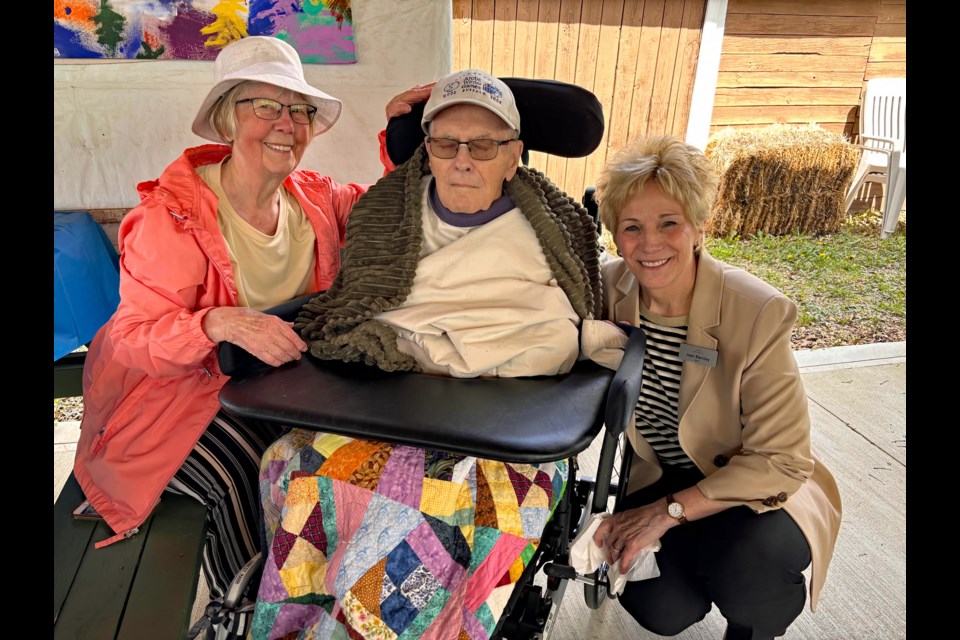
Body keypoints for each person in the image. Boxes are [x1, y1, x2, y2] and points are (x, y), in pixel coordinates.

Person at [71, 34, 432, 631]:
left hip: (286, 387)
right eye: (264, 106)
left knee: (357, 463)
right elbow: (134, 337)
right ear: (226, 118)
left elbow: (393, 218)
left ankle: (336, 603)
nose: (285, 123)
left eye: (299, 109)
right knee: (261, 475)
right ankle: (248, 615)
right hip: (175, 406)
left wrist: (402, 140)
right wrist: (213, 322)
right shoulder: (170, 218)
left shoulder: (317, 200)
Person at [250, 69, 601, 639]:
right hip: (390, 405)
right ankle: (306, 624)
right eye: (445, 142)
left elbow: (560, 338)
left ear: (513, 155)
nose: (463, 159)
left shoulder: (556, 229)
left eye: (484, 145)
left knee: (467, 507)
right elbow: (358, 315)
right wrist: (434, 350)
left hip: (506, 427)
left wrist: (434, 350)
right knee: (293, 462)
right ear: (427, 152)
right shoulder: (385, 216)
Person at [582, 134, 843, 639]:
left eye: (669, 224)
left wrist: (668, 514)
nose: (650, 244)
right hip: (659, 477)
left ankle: (753, 618)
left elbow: (783, 460)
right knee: (662, 611)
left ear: (700, 226)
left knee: (752, 576)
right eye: (632, 227)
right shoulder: (606, 289)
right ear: (614, 233)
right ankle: (705, 562)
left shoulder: (758, 311)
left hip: (755, 490)